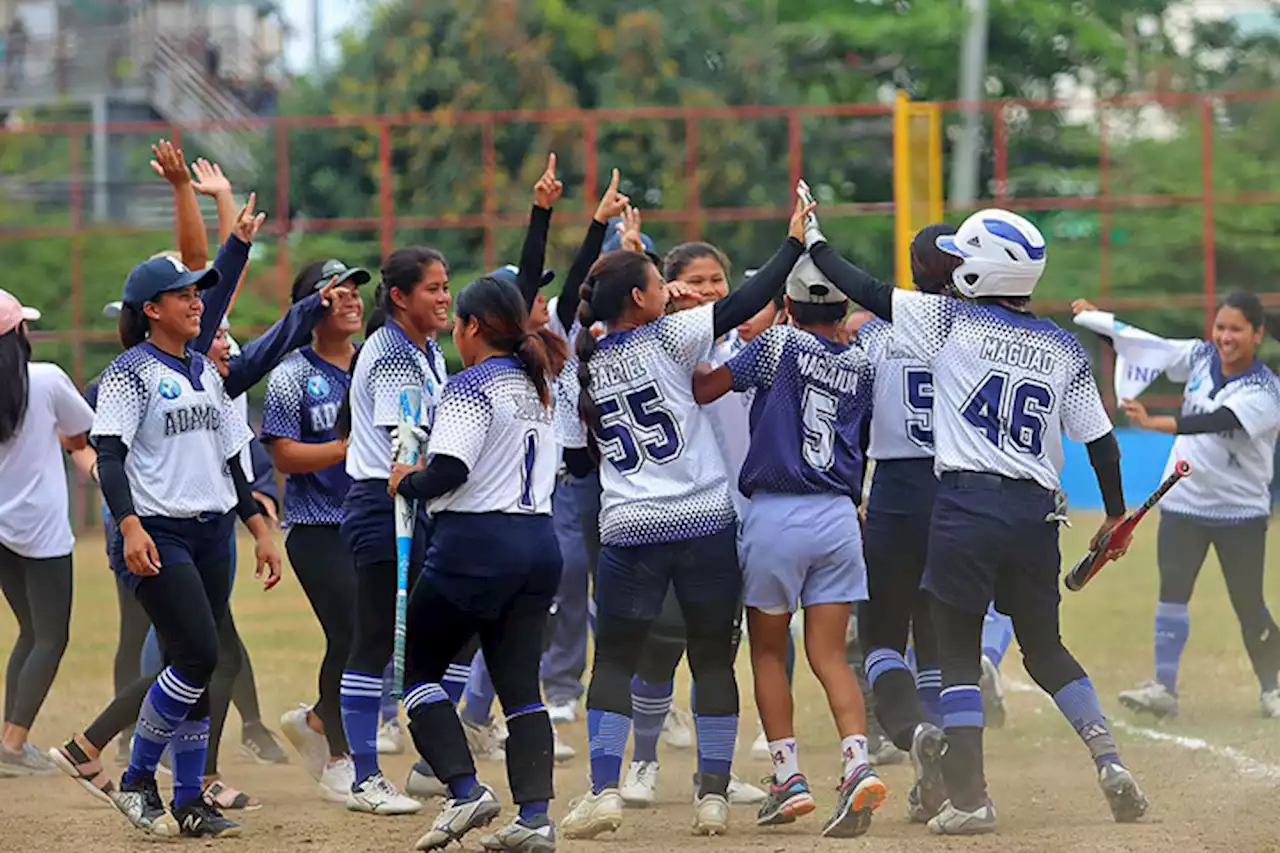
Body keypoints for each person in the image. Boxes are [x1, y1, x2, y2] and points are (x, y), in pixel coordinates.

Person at [806, 205, 1148, 834]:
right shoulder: (1063, 345)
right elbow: (1101, 442)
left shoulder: (947, 320)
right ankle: (1108, 757)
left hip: (964, 506)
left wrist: (815, 237)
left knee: (957, 655)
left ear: (979, 270)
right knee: (1045, 649)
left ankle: (972, 800)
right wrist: (1116, 514)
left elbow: (866, 289)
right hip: (1037, 513)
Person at [555, 194, 809, 839]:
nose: (668, 290)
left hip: (631, 527)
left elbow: (578, 466)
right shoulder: (670, 336)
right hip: (703, 519)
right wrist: (793, 241)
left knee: (612, 662)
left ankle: (604, 792)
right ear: (639, 301)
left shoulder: (582, 363)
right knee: (713, 661)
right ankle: (714, 799)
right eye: (656, 284)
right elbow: (746, 303)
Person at [691, 254, 887, 837]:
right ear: (844, 308)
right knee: (831, 655)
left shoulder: (777, 346)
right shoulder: (861, 362)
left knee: (769, 652)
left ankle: (788, 776)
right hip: (838, 516)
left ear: (789, 308)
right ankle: (856, 763)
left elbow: (707, 388)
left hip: (776, 513)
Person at [90, 252, 283, 839]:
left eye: (199, 293)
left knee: (193, 663)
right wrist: (128, 526)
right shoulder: (129, 372)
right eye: (183, 294)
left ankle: (190, 799)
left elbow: (233, 460)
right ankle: (137, 779)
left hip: (211, 531)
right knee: (198, 654)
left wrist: (258, 528)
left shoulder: (207, 371)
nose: (197, 301)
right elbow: (108, 455)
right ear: (151, 310)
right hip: (158, 530)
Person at [388, 274, 567, 852]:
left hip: (477, 544)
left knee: (416, 672)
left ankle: (465, 791)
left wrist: (405, 481)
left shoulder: (470, 387)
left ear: (470, 327)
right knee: (521, 689)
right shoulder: (542, 385)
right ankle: (535, 817)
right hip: (540, 543)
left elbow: (450, 472)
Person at [1073, 293, 1280, 719]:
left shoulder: (1265, 389)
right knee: (1172, 594)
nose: (1225, 337)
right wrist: (1104, 325)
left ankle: (1272, 689)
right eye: (1220, 327)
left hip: (1239, 511)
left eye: (1237, 329)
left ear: (1257, 334)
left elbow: (1217, 421)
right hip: (1183, 502)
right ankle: (1163, 688)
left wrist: (1155, 423)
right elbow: (1151, 348)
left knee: (1248, 602)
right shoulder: (1202, 356)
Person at [339, 245, 451, 816]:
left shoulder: (426, 349)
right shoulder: (392, 357)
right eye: (432, 288)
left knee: (452, 628)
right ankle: (363, 777)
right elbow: (402, 451)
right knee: (375, 637)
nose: (444, 296)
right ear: (401, 297)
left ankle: (435, 762)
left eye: (446, 285)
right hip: (384, 506)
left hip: (417, 504)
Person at [263, 259, 369, 803]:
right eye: (338, 293)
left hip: (370, 519)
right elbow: (283, 454)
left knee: (369, 637)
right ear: (312, 306)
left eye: (356, 292)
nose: (352, 300)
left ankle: (317, 720)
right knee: (347, 635)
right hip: (317, 526)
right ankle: (340, 760)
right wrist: (346, 449)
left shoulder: (376, 362)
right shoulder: (291, 374)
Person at [0, 291, 94, 775]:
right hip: (41, 529)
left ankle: (7, 741)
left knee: (31, 631)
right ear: (19, 334)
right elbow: (83, 430)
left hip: (1, 533)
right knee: (51, 637)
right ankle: (13, 746)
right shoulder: (46, 380)